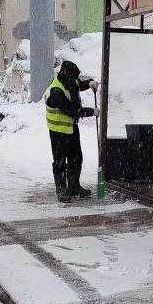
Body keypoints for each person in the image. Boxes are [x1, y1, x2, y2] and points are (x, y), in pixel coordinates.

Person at [44, 60, 99, 202]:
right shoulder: (56, 91)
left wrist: (89, 83)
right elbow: (73, 110)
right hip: (57, 131)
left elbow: (78, 85)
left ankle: (74, 187)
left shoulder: (70, 80)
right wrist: (92, 111)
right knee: (60, 161)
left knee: (76, 157)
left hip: (71, 127)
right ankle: (61, 190)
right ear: (67, 75)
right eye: (74, 76)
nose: (76, 79)